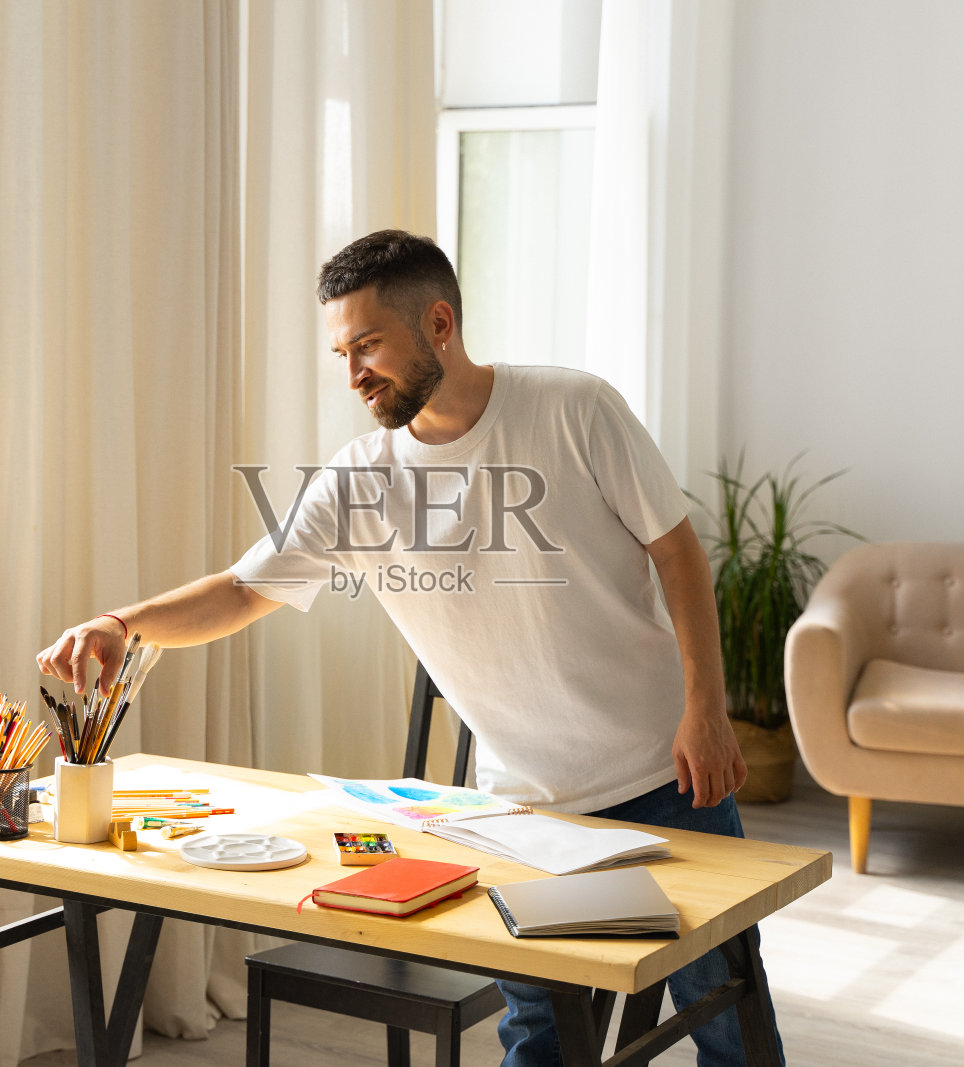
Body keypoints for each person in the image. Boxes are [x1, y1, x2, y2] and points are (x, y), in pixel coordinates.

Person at [38, 229, 781, 1066]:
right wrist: (122, 623)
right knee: (540, 1030)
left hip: (667, 772)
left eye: (367, 345)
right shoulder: (360, 479)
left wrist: (706, 711)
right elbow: (244, 589)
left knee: (725, 1015)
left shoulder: (575, 408)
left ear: (438, 323)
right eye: (341, 353)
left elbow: (677, 552)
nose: (353, 373)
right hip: (523, 809)